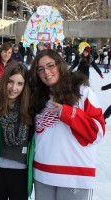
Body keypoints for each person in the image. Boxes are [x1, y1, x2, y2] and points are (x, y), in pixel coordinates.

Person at [29, 49, 105, 200]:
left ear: (60, 65)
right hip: (43, 174)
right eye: (41, 69)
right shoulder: (37, 95)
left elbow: (97, 133)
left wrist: (68, 113)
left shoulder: (83, 92)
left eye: (50, 66)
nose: (46, 72)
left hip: (74, 175)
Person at [0, 63, 33, 200]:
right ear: (4, 81)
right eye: (10, 82)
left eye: (20, 83)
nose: (14, 88)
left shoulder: (30, 107)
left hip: (21, 172)